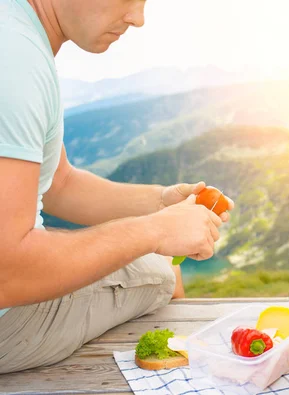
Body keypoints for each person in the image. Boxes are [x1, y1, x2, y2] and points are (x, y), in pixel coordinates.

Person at [0, 0, 234, 374]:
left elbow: (59, 184)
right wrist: (155, 232)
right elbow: (7, 271)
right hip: (7, 322)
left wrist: (160, 203)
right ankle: (179, 373)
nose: (137, 18)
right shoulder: (15, 63)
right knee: (162, 271)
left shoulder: (17, 32)